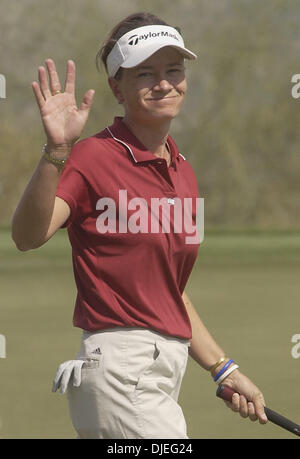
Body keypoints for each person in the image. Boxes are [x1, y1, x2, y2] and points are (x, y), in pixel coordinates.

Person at [11, 12, 268, 439]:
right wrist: (57, 151)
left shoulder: (184, 172)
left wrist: (225, 369)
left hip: (165, 369)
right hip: (120, 369)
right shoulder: (93, 156)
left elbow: (170, 290)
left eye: (173, 70)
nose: (164, 83)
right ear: (118, 87)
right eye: (146, 73)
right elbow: (26, 237)